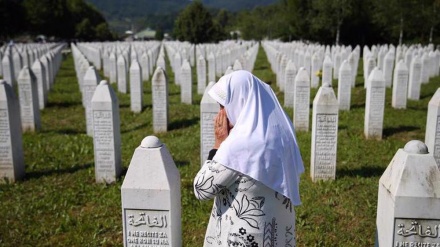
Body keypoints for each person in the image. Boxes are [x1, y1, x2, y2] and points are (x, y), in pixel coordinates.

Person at [193, 70, 304, 247]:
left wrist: (218, 144)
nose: (220, 114)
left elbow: (202, 188)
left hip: (242, 236)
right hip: (275, 234)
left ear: (239, 102)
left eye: (223, 106)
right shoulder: (282, 133)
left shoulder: (239, 145)